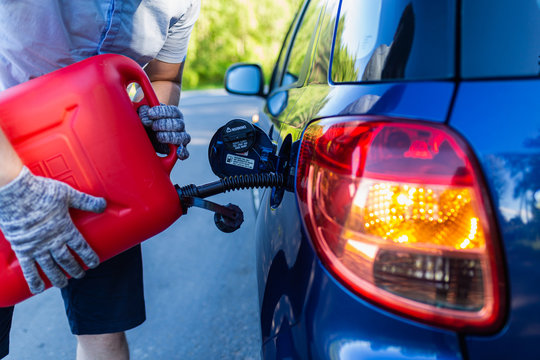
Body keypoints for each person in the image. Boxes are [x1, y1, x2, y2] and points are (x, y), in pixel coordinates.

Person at [0, 1, 200, 359]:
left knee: (104, 331)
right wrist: (14, 189)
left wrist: (150, 119)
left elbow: (164, 77)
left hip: (98, 167)